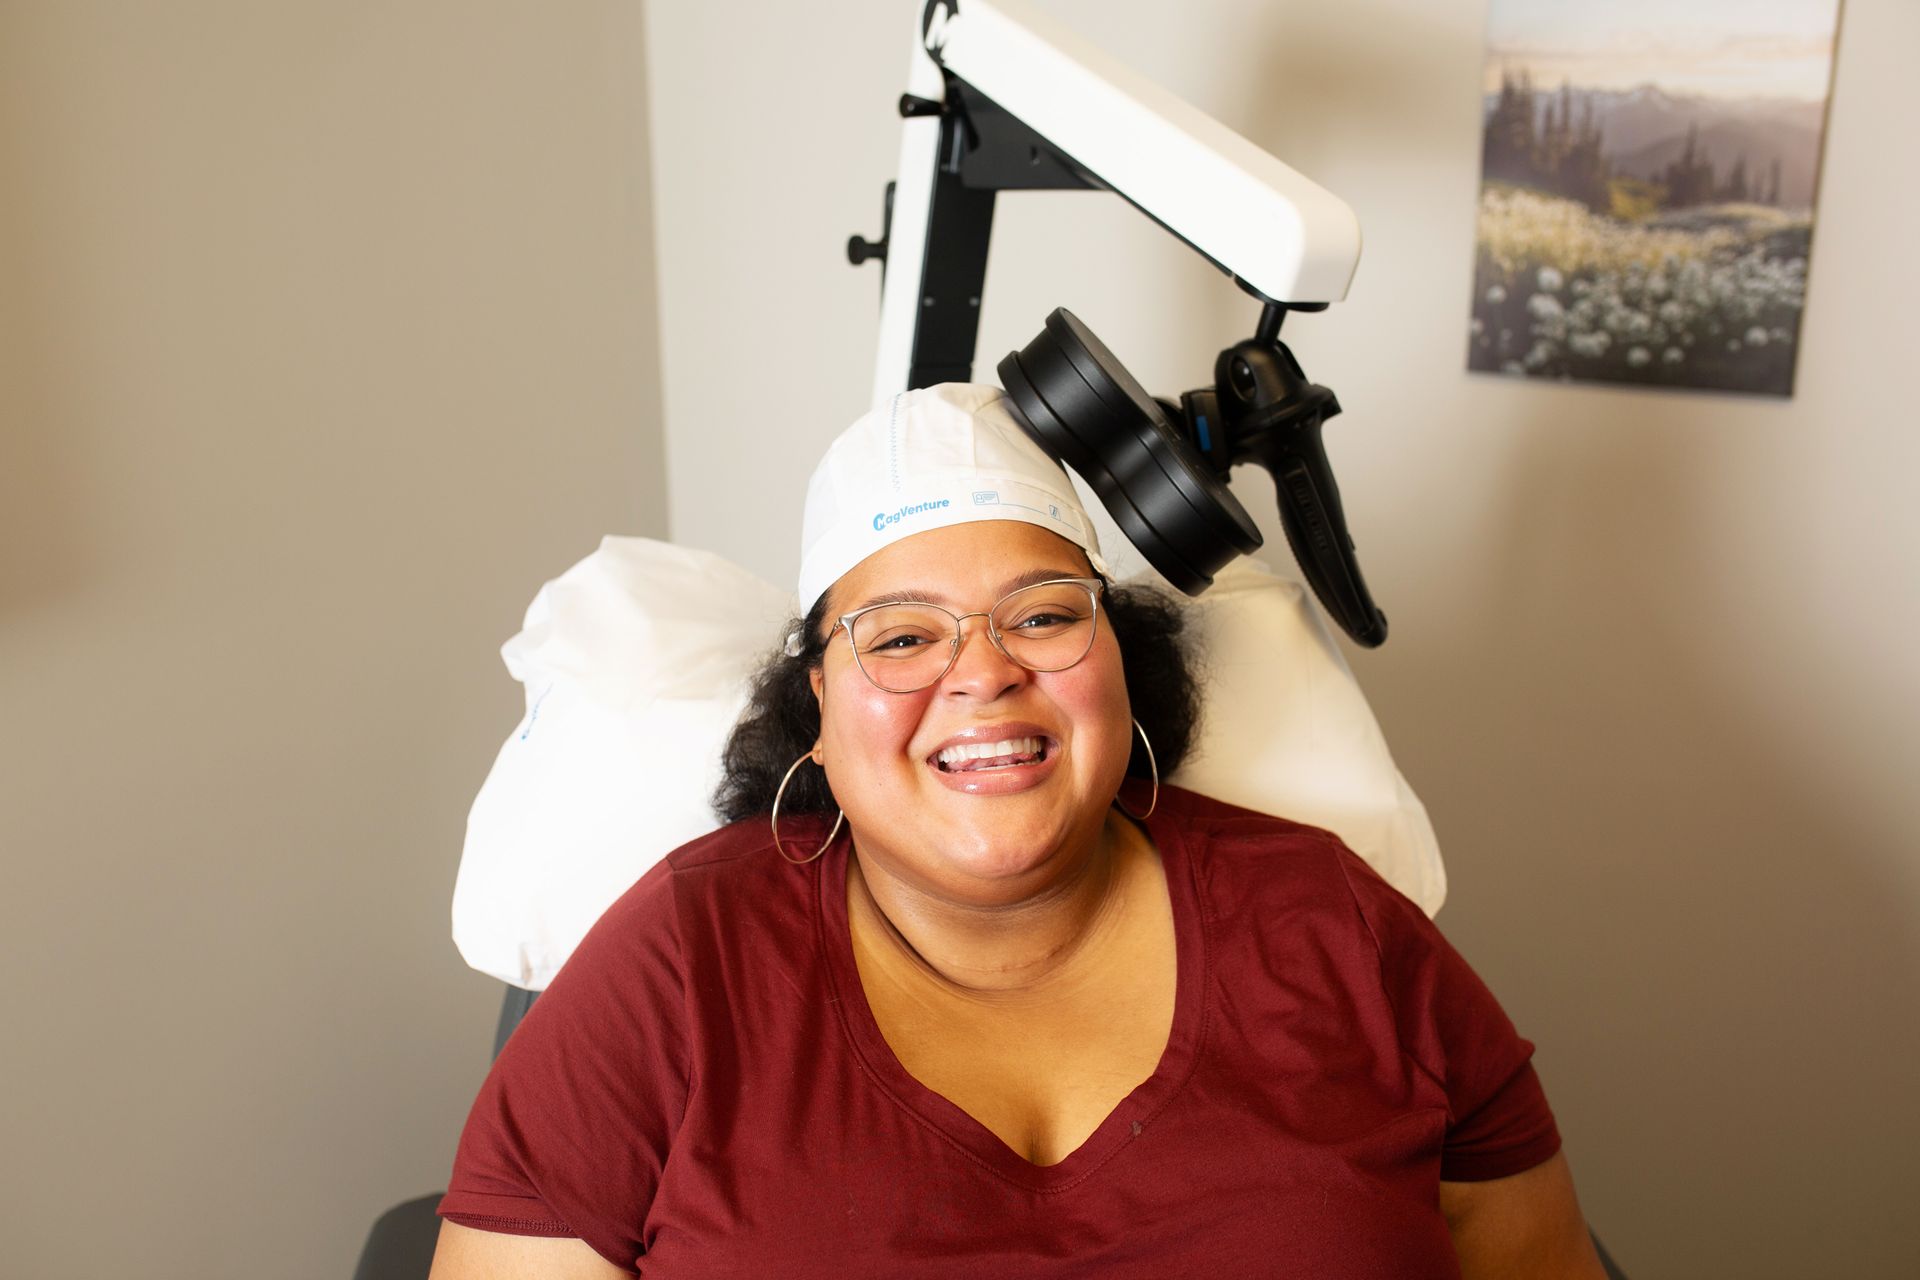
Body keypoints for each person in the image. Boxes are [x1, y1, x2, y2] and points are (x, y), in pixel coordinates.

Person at [429, 383, 1609, 1278]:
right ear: (818, 716)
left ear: (1124, 674)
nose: (983, 675)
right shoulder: (678, 967)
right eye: (899, 636)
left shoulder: (1339, 928)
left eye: (1044, 616)